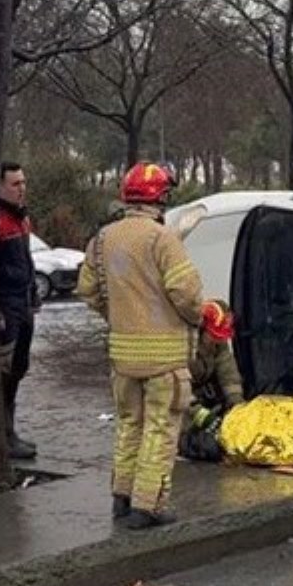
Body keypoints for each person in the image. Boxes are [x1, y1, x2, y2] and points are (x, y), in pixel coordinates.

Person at [78, 161, 203, 529]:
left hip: (122, 354)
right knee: (160, 428)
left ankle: (122, 495)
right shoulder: (161, 238)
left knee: (129, 424)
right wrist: (194, 318)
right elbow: (186, 293)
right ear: (160, 197)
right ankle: (149, 505)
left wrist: (115, 315)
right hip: (164, 357)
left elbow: (88, 289)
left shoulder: (102, 239)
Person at [0, 162, 40, 459]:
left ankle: (9, 431)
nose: (22, 188)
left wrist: (33, 295)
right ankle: (3, 434)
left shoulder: (21, 219)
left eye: (23, 182)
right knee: (4, 371)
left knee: (18, 369)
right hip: (7, 306)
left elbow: (27, 261)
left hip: (22, 303)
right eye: (15, 184)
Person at [177, 299, 244, 462]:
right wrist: (201, 415)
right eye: (214, 336)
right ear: (202, 329)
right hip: (179, 400)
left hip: (200, 396)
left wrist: (237, 405)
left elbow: (228, 374)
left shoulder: (218, 344)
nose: (217, 341)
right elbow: (177, 387)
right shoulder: (182, 344)